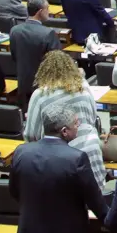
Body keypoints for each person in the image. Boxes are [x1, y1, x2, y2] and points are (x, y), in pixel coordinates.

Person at [11, 105, 108, 233]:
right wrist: (110, 221)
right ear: (64, 131)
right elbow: (94, 200)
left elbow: (14, 191)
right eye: (75, 125)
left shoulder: (22, 152)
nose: (78, 128)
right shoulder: (76, 158)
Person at [23, 50, 106, 187]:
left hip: (55, 159)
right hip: (90, 151)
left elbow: (31, 135)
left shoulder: (40, 94)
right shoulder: (83, 86)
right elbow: (92, 118)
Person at [10, 0, 62, 109]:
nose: (49, 11)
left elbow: (14, 56)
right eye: (47, 8)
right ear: (40, 11)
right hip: (44, 88)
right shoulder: (48, 34)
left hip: (23, 84)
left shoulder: (15, 31)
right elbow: (58, 64)